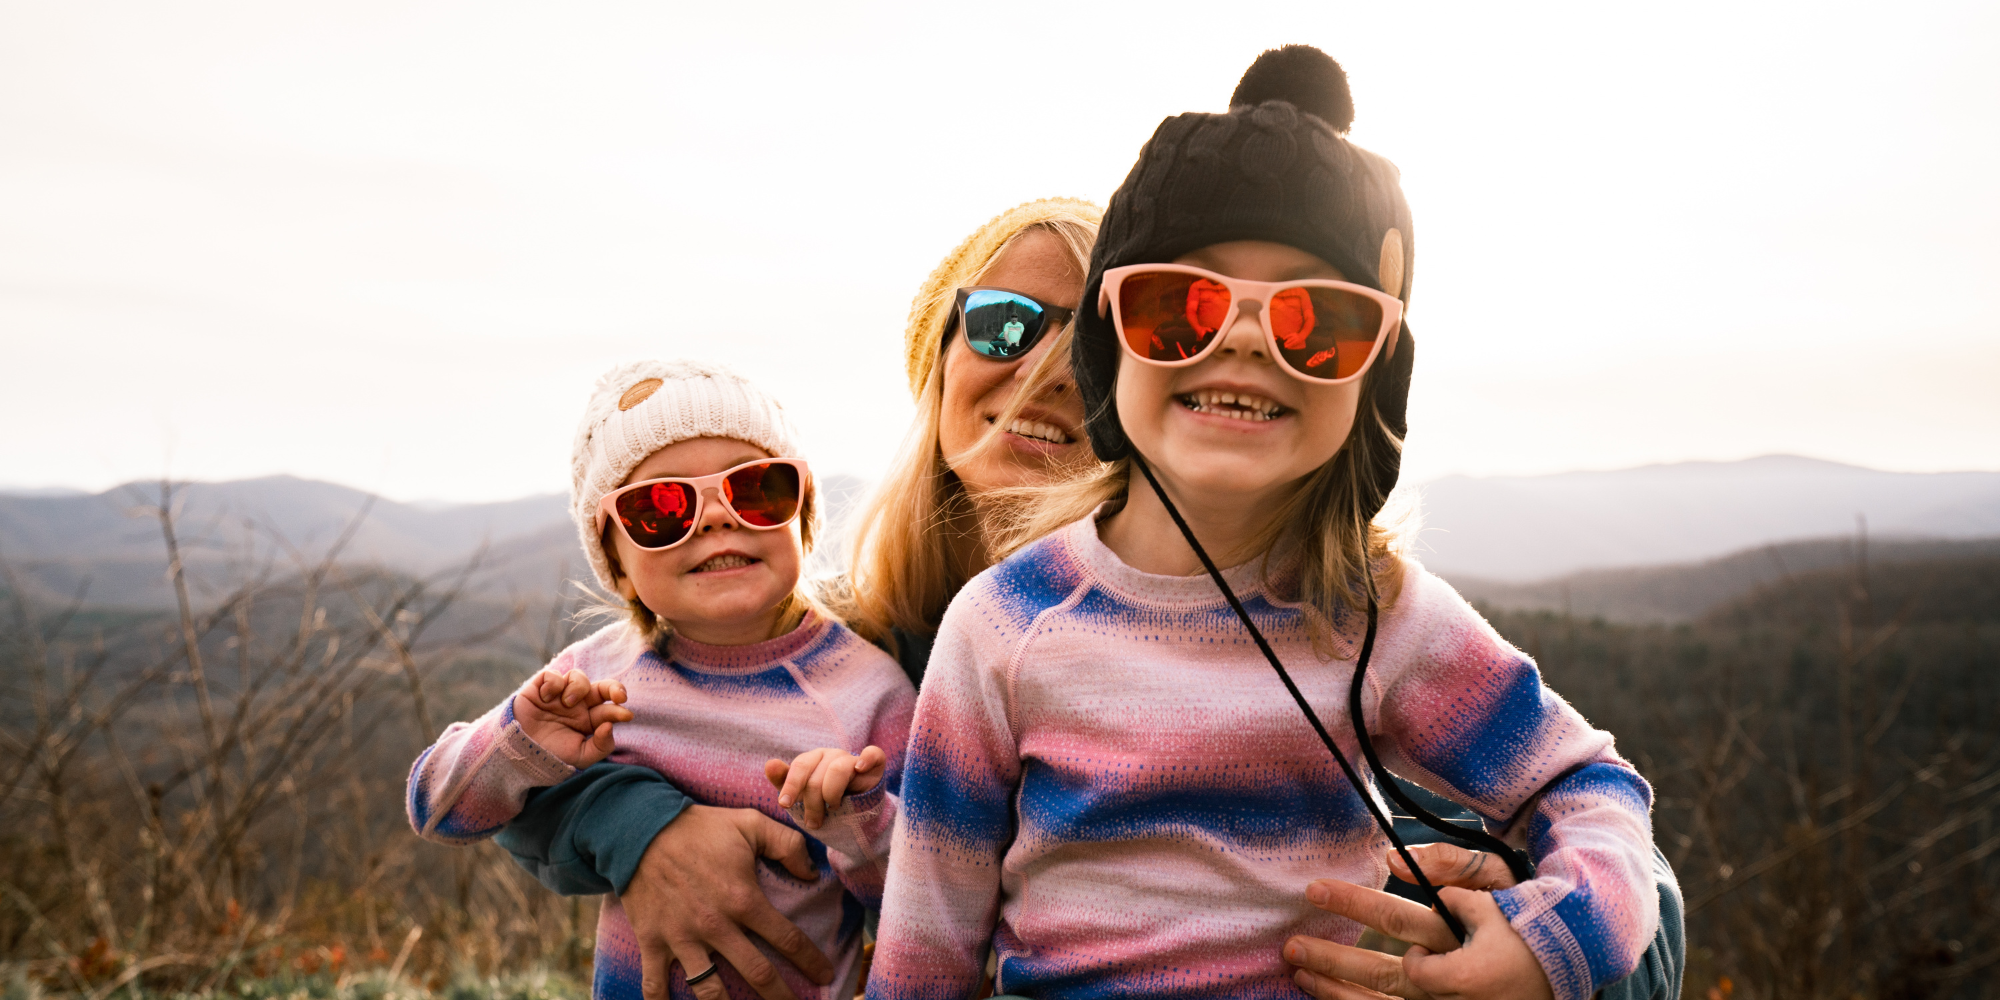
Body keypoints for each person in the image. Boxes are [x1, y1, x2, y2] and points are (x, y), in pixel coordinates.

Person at [863, 47, 1659, 1000]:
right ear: (1111, 349)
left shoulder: (1376, 615)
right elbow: (922, 960)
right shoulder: (1002, 626)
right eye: (1178, 308)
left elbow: (1588, 788)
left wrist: (1553, 945)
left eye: (1317, 321)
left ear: (1378, 383)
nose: (1242, 338)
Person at [489, 200, 1104, 1000]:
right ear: (940, 361)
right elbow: (516, 789)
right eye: (1005, 322)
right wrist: (643, 829)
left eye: (1094, 344)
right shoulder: (857, 639)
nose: (1046, 369)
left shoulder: (1187, 640)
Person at [406, 360, 916, 1000]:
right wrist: (521, 741)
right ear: (615, 566)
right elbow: (438, 808)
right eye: (660, 508)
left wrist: (860, 820)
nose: (714, 519)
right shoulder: (593, 680)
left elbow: (924, 900)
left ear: (803, 517)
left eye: (755, 489)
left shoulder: (868, 692)